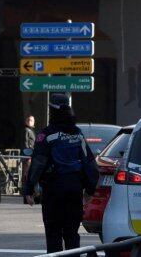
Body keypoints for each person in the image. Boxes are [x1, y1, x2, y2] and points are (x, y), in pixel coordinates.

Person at [24, 95, 98, 253]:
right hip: (74, 190)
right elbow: (89, 163)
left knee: (53, 234)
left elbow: (38, 163)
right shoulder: (77, 134)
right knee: (72, 234)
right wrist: (90, 190)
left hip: (53, 191)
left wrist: (29, 189)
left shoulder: (46, 135)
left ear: (52, 111)